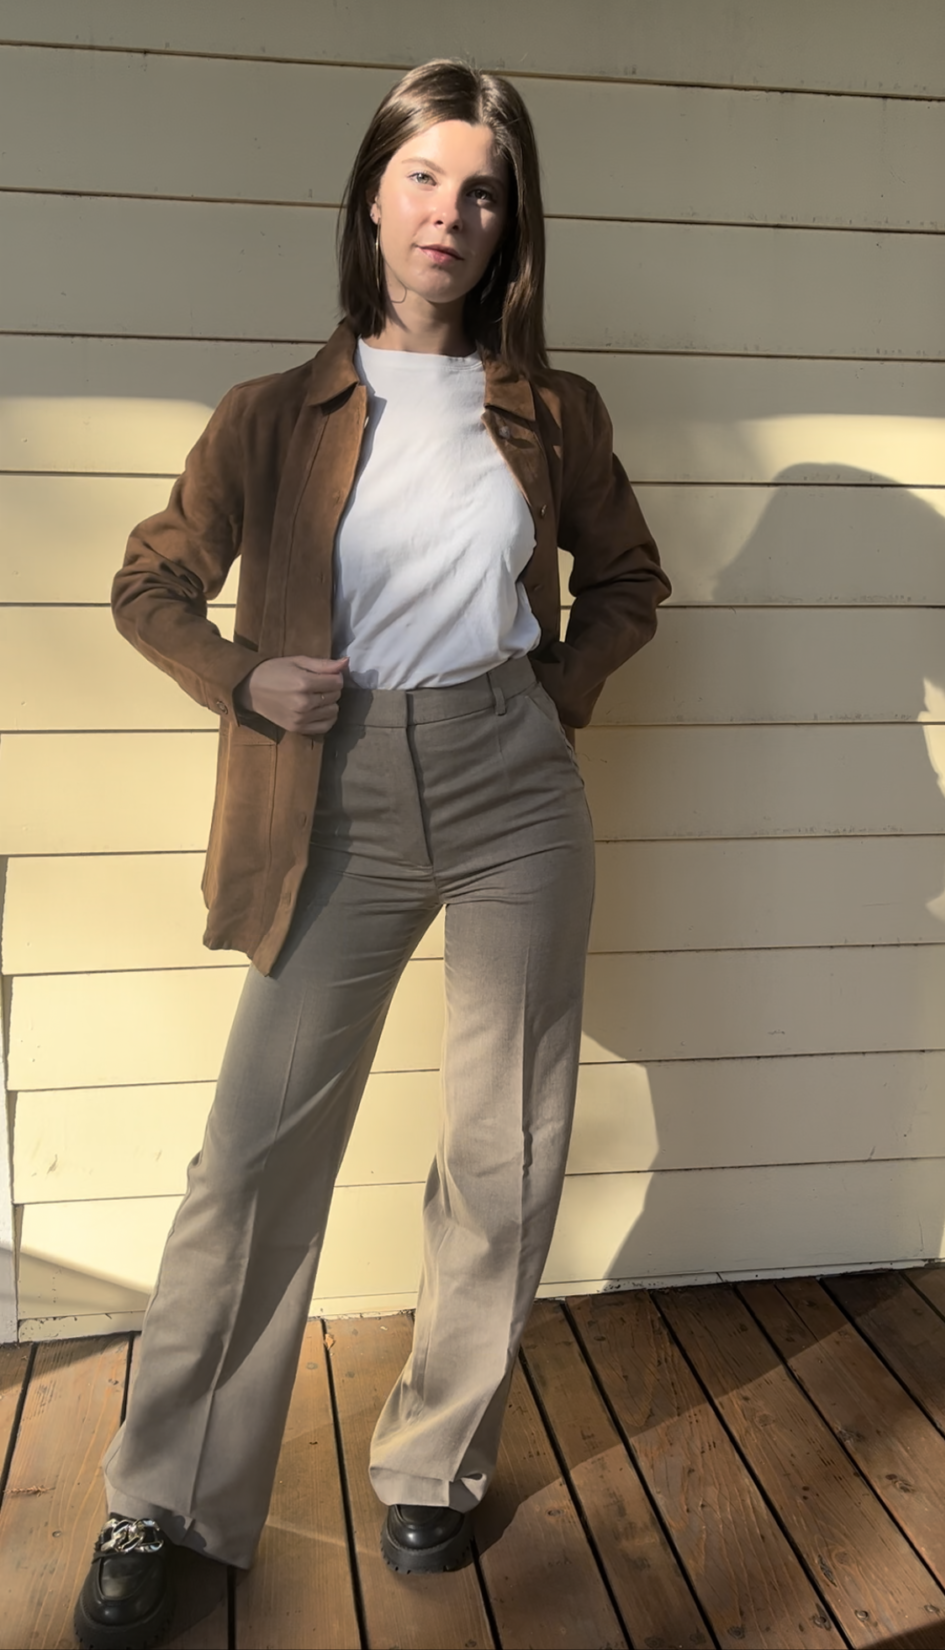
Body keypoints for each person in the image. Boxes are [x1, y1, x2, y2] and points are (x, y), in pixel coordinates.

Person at [74, 58, 670, 1650]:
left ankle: (435, 1456)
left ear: (508, 223)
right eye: (425, 179)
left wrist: (552, 695)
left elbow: (628, 579)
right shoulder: (272, 416)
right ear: (372, 195)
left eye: (482, 190)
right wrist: (239, 674)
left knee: (507, 1143)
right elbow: (148, 586)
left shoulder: (551, 409)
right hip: (331, 793)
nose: (450, 214)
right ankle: (170, 1498)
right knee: (256, 1155)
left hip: (508, 781)